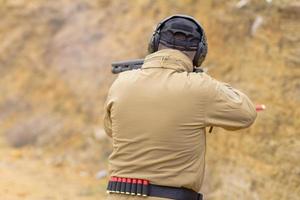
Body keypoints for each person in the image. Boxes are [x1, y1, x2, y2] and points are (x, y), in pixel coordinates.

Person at [104, 15, 257, 200]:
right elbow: (247, 114)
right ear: (200, 53)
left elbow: (112, 130)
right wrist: (206, 81)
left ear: (154, 43)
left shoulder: (122, 83)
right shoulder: (201, 87)